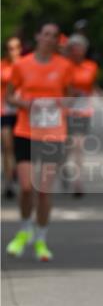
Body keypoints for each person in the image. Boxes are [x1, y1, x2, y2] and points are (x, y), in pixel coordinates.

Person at [5, 21, 74, 262]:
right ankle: (25, 229)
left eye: (53, 36)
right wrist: (25, 104)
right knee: (26, 187)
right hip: (26, 130)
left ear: (57, 41)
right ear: (37, 37)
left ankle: (41, 239)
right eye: (45, 34)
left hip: (53, 132)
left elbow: (71, 97)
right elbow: (10, 95)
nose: (48, 39)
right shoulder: (22, 65)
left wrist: (58, 105)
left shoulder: (64, 66)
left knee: (43, 190)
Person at [63, 34, 99, 196]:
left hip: (84, 110)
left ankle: (78, 183)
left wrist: (96, 92)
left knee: (78, 145)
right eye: (74, 49)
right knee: (66, 146)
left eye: (80, 49)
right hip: (65, 110)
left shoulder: (91, 66)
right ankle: (64, 169)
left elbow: (91, 84)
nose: (77, 52)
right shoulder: (63, 66)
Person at [1, 35, 22, 198]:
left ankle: (18, 174)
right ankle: (8, 183)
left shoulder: (27, 65)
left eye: (16, 48)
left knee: (19, 148)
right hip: (5, 111)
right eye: (10, 48)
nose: (13, 51)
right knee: (7, 146)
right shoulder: (2, 66)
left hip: (23, 112)